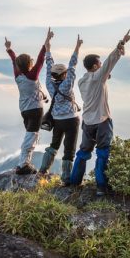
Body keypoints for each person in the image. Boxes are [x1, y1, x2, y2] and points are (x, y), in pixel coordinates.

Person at [69, 30, 130, 195]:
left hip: (87, 122)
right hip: (102, 120)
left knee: (83, 152)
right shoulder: (98, 77)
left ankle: (74, 182)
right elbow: (110, 61)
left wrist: (105, 75)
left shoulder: (82, 81)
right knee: (103, 153)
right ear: (95, 66)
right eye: (98, 63)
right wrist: (122, 43)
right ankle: (101, 187)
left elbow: (102, 75)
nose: (101, 65)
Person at [5, 28, 53, 174]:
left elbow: (14, 60)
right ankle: (23, 164)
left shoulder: (17, 76)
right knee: (31, 136)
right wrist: (46, 42)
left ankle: (26, 163)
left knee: (30, 134)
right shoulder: (32, 76)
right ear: (29, 64)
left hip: (24, 110)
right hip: (35, 110)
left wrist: (9, 49)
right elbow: (40, 59)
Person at [39, 34, 83, 184]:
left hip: (57, 120)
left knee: (54, 145)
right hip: (71, 120)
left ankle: (43, 170)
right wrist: (77, 47)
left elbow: (48, 64)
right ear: (64, 75)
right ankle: (65, 179)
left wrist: (48, 47)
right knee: (69, 149)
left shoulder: (48, 83)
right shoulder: (67, 84)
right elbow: (72, 65)